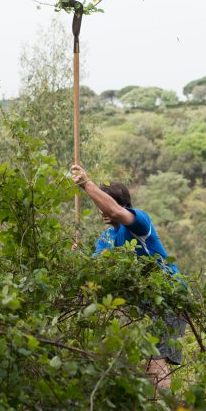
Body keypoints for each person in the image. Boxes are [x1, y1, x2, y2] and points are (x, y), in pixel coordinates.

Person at [71, 164, 187, 390]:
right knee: (135, 356)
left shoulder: (139, 223)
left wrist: (86, 184)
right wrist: (76, 258)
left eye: (104, 202)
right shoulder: (107, 237)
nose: (100, 208)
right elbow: (93, 268)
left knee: (157, 357)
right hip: (143, 304)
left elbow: (115, 212)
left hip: (168, 298)